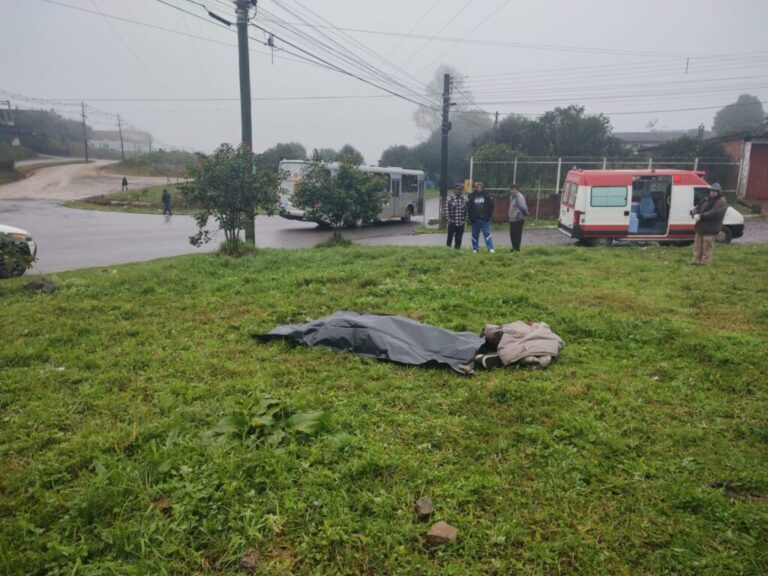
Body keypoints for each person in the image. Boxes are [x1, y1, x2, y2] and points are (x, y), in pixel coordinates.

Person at [690, 183, 727, 265]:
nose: (713, 192)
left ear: (719, 192)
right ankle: (696, 261)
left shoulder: (721, 201)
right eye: (711, 191)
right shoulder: (706, 199)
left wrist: (701, 215)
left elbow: (714, 213)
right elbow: (698, 207)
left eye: (715, 191)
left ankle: (705, 262)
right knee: (697, 245)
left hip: (711, 228)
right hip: (700, 227)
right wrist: (694, 212)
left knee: (707, 246)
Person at [467, 181, 495, 253]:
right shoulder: (472, 196)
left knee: (487, 234)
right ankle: (475, 248)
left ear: (483, 188)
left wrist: (488, 216)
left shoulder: (487, 196)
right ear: (475, 188)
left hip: (484, 220)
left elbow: (491, 206)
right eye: (477, 187)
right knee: (474, 235)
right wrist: (470, 218)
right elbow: (469, 208)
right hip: (475, 220)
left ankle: (490, 248)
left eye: (480, 187)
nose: (479, 188)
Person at [446, 182, 468, 249]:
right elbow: (446, 210)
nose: (459, 190)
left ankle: (457, 250)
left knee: (459, 238)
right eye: (458, 189)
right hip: (452, 222)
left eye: (461, 189)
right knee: (450, 237)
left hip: (461, 223)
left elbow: (467, 211)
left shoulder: (464, 199)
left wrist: (465, 220)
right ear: (454, 189)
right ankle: (448, 250)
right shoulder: (450, 198)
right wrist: (449, 220)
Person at [507, 184, 528, 252]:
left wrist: (523, 215)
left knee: (517, 234)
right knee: (512, 234)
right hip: (512, 218)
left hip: (518, 218)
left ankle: (517, 248)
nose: (513, 191)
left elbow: (523, 207)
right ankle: (513, 247)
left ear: (517, 190)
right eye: (512, 189)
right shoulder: (511, 197)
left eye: (515, 189)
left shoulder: (520, 197)